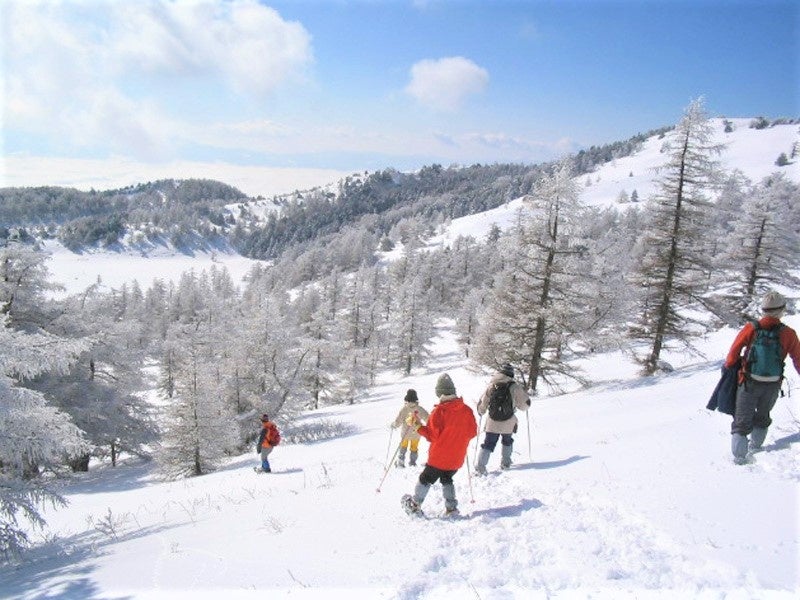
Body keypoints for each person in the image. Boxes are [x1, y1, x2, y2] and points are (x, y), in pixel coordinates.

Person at [724, 291, 800, 464]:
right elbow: (798, 359)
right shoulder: (789, 333)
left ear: (763, 309)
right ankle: (757, 448)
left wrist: (730, 367)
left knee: (741, 422)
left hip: (749, 381)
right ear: (781, 310)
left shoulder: (752, 328)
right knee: (763, 416)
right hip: (772, 384)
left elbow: (732, 354)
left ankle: (739, 459)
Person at [401, 373, 477, 517]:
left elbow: (431, 436)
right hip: (457, 458)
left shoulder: (439, 412)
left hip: (438, 458)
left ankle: (415, 504)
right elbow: (472, 432)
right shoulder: (466, 410)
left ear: (439, 393)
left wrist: (417, 426)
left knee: (425, 479)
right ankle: (451, 508)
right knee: (447, 479)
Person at [475, 363, 531, 474]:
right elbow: (524, 406)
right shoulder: (514, 387)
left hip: (492, 422)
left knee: (488, 444)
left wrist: (481, 411)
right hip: (509, 421)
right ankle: (506, 463)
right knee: (507, 441)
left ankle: (481, 467)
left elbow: (483, 402)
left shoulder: (492, 385)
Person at [390, 389, 430, 467]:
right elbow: (428, 419)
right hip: (416, 433)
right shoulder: (420, 409)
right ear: (416, 399)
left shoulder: (404, 409)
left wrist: (394, 425)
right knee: (414, 448)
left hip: (405, 434)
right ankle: (412, 463)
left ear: (407, 399)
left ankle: (401, 462)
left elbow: (399, 421)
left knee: (403, 446)